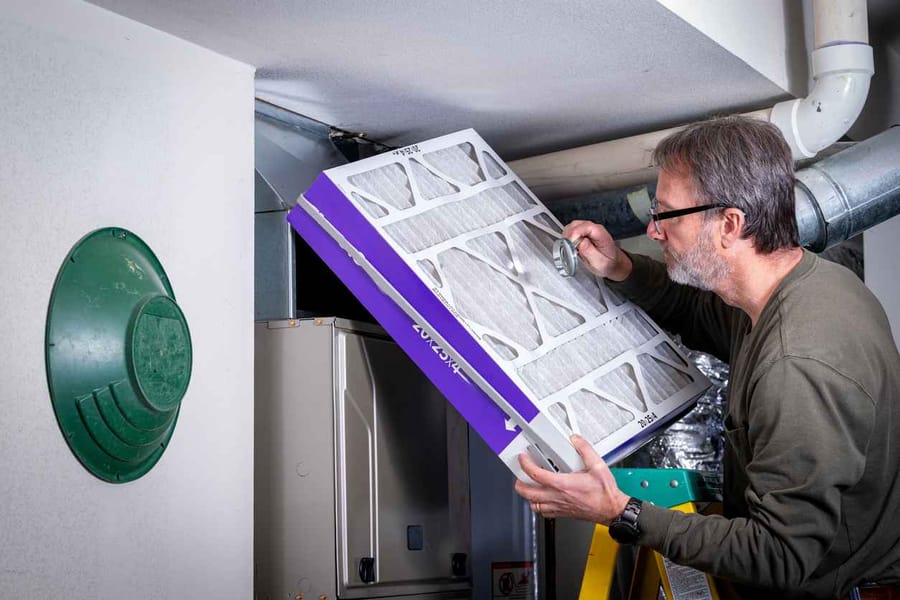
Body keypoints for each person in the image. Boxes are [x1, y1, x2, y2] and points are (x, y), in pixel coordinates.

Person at [514, 116, 900, 600]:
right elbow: (698, 311)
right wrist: (621, 267)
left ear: (730, 225)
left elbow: (779, 556)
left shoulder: (796, 361)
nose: (653, 230)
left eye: (668, 215)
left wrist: (621, 511)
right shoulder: (801, 285)